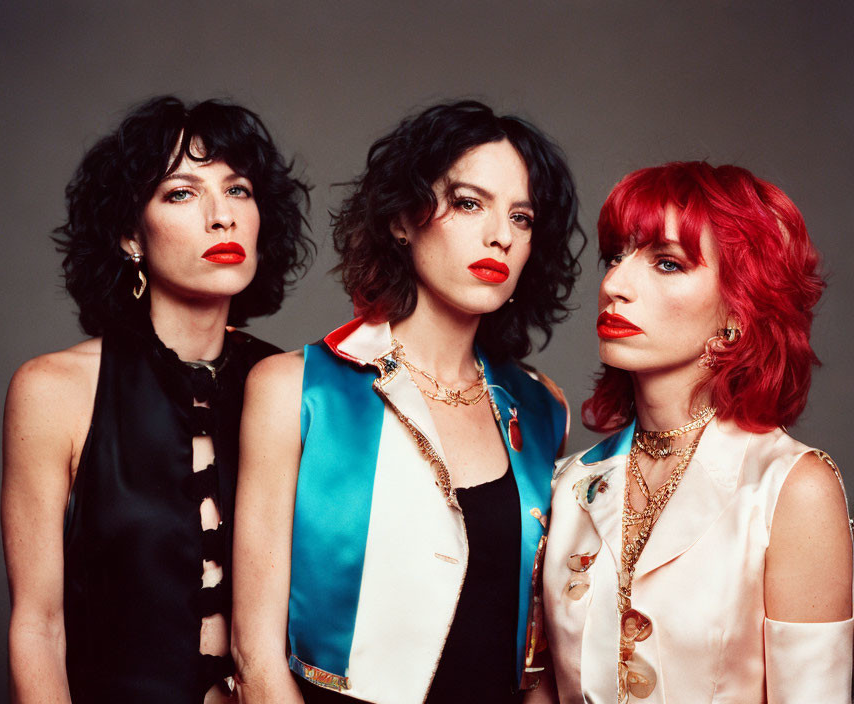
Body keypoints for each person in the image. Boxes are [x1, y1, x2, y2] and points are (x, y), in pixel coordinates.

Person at [231, 101, 585, 703]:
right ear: (402, 218)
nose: (499, 235)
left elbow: (537, 658)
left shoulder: (542, 406)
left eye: (521, 218)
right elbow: (255, 653)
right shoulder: (295, 387)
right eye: (469, 203)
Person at [1, 96, 311, 703]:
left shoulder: (296, 386)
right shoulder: (54, 389)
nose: (221, 217)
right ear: (129, 236)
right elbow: (37, 626)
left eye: (239, 190)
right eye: (181, 193)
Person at [542, 161, 853, 703]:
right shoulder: (568, 484)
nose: (614, 284)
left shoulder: (790, 490)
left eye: (666, 263)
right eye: (615, 256)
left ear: (739, 308)